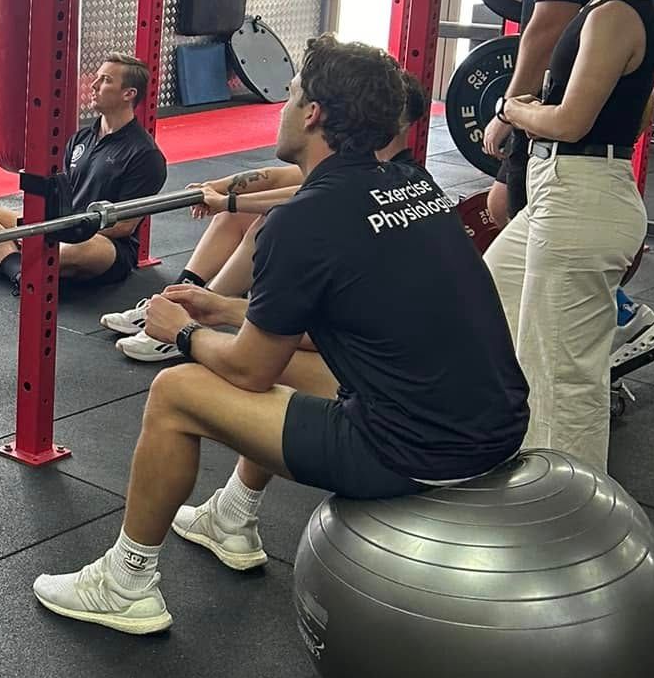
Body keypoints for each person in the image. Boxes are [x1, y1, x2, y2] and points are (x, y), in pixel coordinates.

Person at [32, 38, 528, 630]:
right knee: (284, 356)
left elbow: (249, 370)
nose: (285, 104)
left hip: (411, 450)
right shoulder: (412, 186)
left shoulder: (302, 222)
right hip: (492, 429)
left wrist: (184, 332)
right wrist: (222, 306)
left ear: (313, 112)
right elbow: (342, 327)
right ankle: (232, 518)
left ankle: (125, 582)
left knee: (176, 392)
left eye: (291, 94)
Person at [485, 0, 654, 471]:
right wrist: (546, 112)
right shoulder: (613, 6)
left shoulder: (616, 13)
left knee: (563, 377)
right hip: (561, 192)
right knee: (491, 297)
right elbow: (636, 114)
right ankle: (511, 466)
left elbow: (569, 122)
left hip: (581, 198)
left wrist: (513, 108)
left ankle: (571, 523)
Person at [103, 74, 430, 364]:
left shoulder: (385, 170)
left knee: (267, 222)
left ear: (397, 120)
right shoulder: (361, 158)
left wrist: (228, 201)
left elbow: (305, 201)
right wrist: (215, 188)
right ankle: (181, 294)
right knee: (241, 216)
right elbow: (280, 178)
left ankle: (194, 315)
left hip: (359, 315)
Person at [0, 56, 168, 291]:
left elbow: (124, 226)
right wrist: (39, 227)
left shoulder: (144, 154)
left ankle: (3, 258)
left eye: (105, 80)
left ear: (128, 94)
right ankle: (18, 270)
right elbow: (64, 194)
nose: (94, 85)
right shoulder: (80, 139)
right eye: (97, 78)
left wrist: (62, 234)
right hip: (60, 226)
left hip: (103, 244)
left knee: (77, 250)